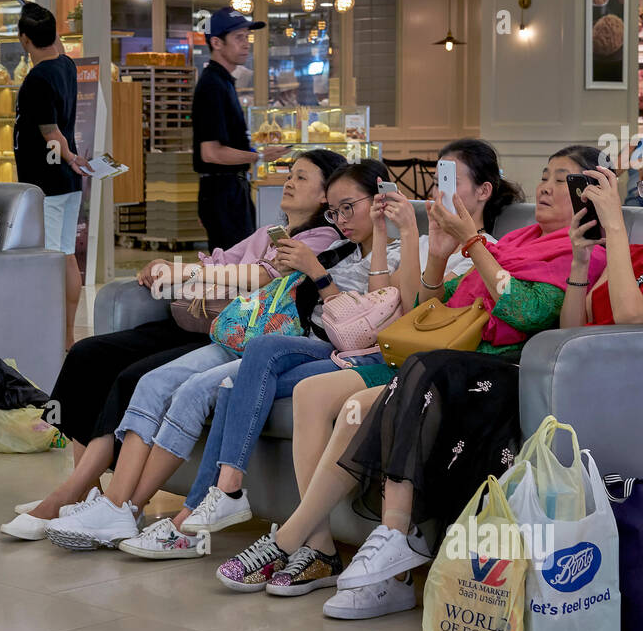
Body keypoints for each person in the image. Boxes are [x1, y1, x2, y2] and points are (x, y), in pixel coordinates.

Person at [214, 145, 598, 602]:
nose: (545, 186)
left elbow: (523, 309)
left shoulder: (568, 252)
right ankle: (318, 547)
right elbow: (424, 314)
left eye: (562, 179)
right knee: (310, 391)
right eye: (544, 174)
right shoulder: (514, 242)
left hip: (483, 369)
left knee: (356, 403)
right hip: (435, 356)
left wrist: (469, 241)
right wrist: (435, 252)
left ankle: (292, 539)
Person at [121, 140, 522, 560]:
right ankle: (213, 512)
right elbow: (399, 302)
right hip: (344, 344)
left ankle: (274, 528)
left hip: (383, 354)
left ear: (483, 191)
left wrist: (404, 237)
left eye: (451, 181)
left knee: (256, 367)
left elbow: (409, 313)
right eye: (438, 183)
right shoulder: (399, 243)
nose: (442, 194)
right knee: (230, 379)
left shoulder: (477, 249)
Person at [42, 160, 407, 553]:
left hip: (302, 343)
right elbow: (232, 264)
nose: (340, 218)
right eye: (336, 210)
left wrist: (328, 263)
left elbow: (366, 322)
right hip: (246, 329)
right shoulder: (334, 246)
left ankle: (172, 507)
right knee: (140, 372)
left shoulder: (342, 245)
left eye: (345, 206)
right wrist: (193, 272)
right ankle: (116, 501)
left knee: (204, 379)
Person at [14, 2, 90, 350]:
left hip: (48, 181)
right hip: (65, 182)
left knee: (53, 258)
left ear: (24, 40)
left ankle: (58, 335)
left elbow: (52, 136)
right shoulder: (66, 65)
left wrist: (71, 158)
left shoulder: (37, 80)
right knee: (65, 256)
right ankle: (66, 334)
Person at [193, 7, 290, 250]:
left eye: (247, 37)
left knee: (241, 260)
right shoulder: (212, 86)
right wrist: (258, 156)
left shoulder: (223, 82)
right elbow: (211, 153)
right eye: (238, 38)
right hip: (222, 192)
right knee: (234, 266)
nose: (246, 44)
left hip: (230, 188)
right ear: (216, 42)